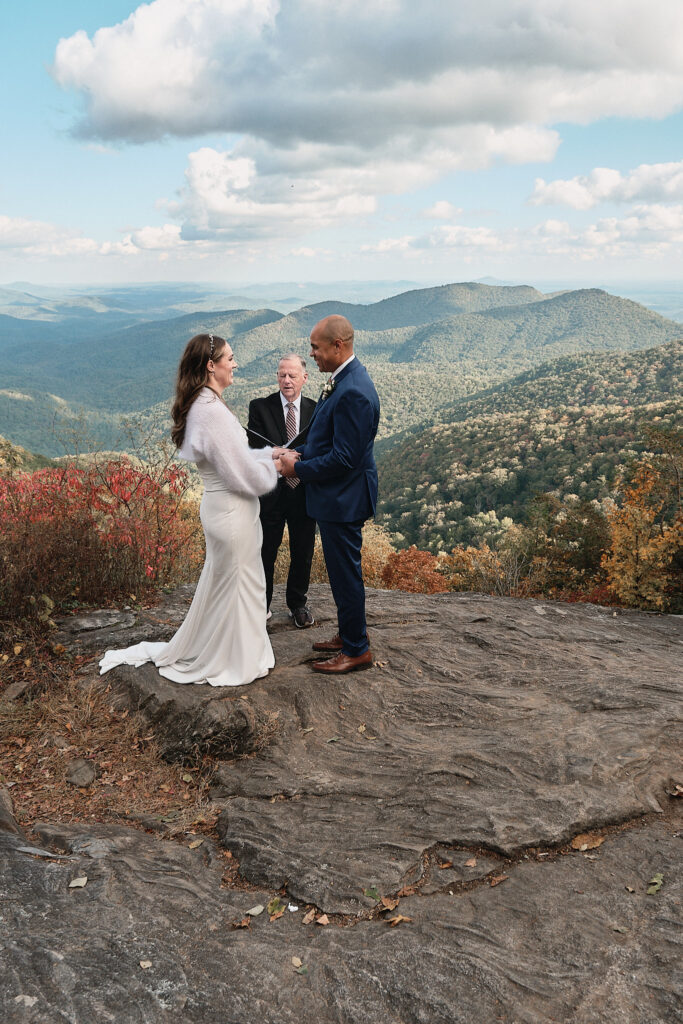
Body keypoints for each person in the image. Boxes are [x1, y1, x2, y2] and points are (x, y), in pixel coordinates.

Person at [99, 333, 280, 687]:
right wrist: (278, 466)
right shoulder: (211, 412)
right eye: (230, 358)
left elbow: (232, 460)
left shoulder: (202, 403)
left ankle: (232, 650)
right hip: (231, 510)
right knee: (241, 584)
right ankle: (235, 660)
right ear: (211, 366)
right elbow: (242, 476)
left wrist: (268, 455)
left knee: (232, 583)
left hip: (221, 507)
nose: (235, 363)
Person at [278, 315, 380, 674]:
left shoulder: (353, 391)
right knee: (340, 573)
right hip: (337, 496)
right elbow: (329, 439)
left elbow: (344, 458)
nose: (312, 355)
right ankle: (349, 634)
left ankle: (356, 650)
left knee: (345, 574)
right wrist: (297, 452)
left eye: (316, 348)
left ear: (338, 346)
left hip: (344, 498)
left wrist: (297, 469)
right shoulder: (343, 381)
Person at [248, 354, 317, 627]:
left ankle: (297, 604)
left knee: (303, 551)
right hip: (271, 493)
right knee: (265, 551)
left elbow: (322, 447)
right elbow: (253, 448)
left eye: (292, 375)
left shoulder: (316, 409)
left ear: (304, 378)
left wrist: (297, 462)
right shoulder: (260, 407)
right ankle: (260, 607)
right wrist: (280, 459)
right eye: (281, 375)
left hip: (303, 492)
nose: (286, 381)